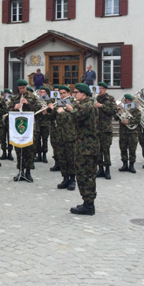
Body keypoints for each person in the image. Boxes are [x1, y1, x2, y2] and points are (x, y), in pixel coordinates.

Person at [59, 83, 98, 215]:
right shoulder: (84, 104)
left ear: (84, 94)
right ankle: (87, 202)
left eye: (76, 92)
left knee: (85, 175)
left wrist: (68, 110)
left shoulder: (87, 106)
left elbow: (75, 116)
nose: (74, 95)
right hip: (83, 145)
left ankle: (88, 205)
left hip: (87, 146)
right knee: (84, 175)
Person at [8, 79, 40, 182]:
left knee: (29, 150)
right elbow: (7, 111)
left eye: (23, 88)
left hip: (29, 128)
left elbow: (38, 109)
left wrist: (27, 104)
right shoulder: (15, 98)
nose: (22, 90)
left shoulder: (33, 97)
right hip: (18, 128)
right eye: (20, 88)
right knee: (19, 150)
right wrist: (14, 107)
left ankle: (28, 173)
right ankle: (20, 172)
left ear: (26, 87)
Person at [48, 85, 77, 190]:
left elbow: (71, 118)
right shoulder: (58, 103)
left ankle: (72, 179)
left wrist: (57, 109)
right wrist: (48, 111)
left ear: (68, 93)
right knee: (62, 158)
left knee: (71, 158)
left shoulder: (73, 103)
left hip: (70, 135)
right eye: (60, 93)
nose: (62, 95)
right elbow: (52, 118)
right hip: (59, 135)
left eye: (64, 93)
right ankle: (65, 178)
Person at [94, 82, 115, 180]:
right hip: (96, 128)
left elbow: (113, 111)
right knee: (98, 150)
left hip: (106, 129)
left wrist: (102, 106)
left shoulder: (110, 99)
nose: (100, 90)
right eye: (98, 88)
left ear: (105, 89)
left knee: (106, 149)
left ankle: (107, 169)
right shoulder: (95, 98)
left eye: (101, 88)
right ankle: (100, 168)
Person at [118, 94, 140, 173]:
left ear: (131, 101)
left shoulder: (135, 110)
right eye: (125, 100)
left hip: (132, 132)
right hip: (123, 132)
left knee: (132, 149)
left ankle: (131, 165)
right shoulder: (122, 108)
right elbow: (116, 118)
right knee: (123, 148)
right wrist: (119, 111)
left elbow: (138, 120)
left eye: (128, 100)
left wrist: (128, 122)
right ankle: (124, 164)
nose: (126, 101)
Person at [33, 87, 50, 163]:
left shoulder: (49, 100)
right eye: (40, 92)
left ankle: (44, 155)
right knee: (37, 140)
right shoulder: (36, 101)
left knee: (45, 139)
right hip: (38, 122)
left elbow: (51, 111)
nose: (42, 93)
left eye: (43, 92)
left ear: (46, 93)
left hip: (46, 123)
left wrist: (47, 109)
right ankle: (38, 155)